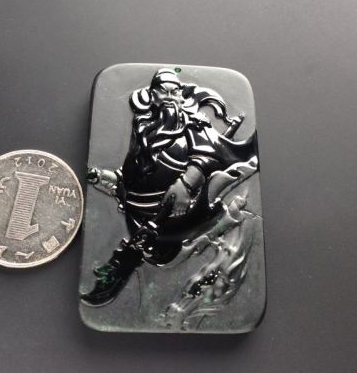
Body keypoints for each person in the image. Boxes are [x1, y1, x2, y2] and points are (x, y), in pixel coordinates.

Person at [81, 68, 257, 306]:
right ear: (152, 95)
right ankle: (118, 273)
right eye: (163, 92)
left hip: (178, 216)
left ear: (181, 95)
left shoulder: (193, 125)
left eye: (175, 92)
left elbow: (208, 156)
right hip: (141, 216)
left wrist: (186, 183)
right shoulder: (144, 127)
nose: (169, 97)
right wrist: (102, 178)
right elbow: (133, 175)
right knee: (140, 250)